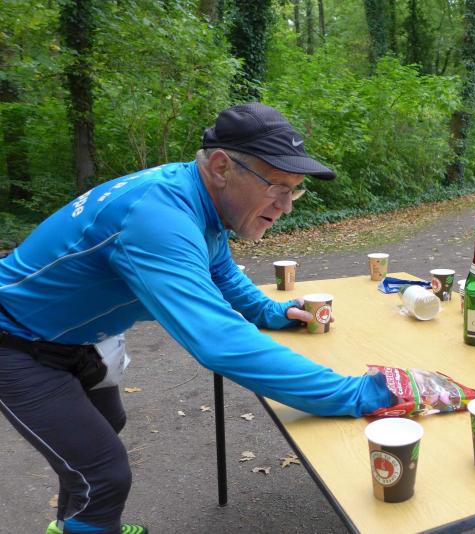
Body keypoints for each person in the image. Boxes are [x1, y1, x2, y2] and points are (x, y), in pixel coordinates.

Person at [0, 103, 394, 534]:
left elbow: (219, 268)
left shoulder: (197, 198)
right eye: (277, 186)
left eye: (294, 191)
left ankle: (75, 525)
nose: (286, 206)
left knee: (100, 435)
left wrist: (269, 311)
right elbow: (219, 341)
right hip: (15, 341)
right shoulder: (157, 217)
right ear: (222, 167)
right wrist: (354, 393)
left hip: (77, 338)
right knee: (102, 472)